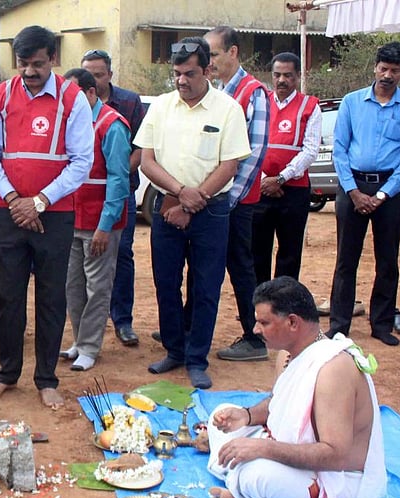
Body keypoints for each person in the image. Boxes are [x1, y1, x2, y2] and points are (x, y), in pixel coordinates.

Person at [0, 25, 93, 409]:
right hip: (8, 212)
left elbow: (82, 162)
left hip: (54, 215)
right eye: (23, 63)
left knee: (51, 297)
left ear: (53, 58)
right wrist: (15, 200)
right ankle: (6, 373)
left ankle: (46, 378)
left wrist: (39, 202)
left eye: (38, 64)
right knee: (7, 297)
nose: (29, 71)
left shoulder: (72, 99)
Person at [207, 276, 387, 498]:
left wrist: (262, 449)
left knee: (254, 476)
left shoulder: (333, 370)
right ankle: (254, 486)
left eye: (263, 322)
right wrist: (246, 416)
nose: (255, 330)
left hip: (338, 480)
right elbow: (279, 403)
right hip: (295, 455)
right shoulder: (287, 353)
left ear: (292, 322)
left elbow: (335, 455)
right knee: (220, 417)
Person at [134, 37, 250, 390]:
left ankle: (197, 358)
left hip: (210, 211)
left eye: (189, 74)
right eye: (177, 74)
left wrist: (191, 201)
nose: (181, 80)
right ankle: (175, 350)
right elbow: (147, 160)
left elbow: (229, 165)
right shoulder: (161, 107)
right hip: (167, 206)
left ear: (208, 71)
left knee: (206, 286)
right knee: (166, 283)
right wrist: (179, 193)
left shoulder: (228, 109)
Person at [327, 41, 400, 346]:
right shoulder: (352, 102)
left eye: (394, 70)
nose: (387, 75)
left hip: (392, 191)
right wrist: (353, 191)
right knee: (346, 259)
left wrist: (383, 194)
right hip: (353, 187)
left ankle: (381, 324)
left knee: (387, 260)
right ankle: (339, 325)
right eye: (383, 68)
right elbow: (339, 149)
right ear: (375, 67)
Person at [204, 26, 270, 363]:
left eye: (214, 54)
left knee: (241, 267)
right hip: (214, 198)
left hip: (236, 203)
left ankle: (255, 337)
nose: (209, 61)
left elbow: (254, 154)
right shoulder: (215, 92)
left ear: (233, 52)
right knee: (204, 264)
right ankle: (191, 325)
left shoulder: (252, 93)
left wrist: (228, 201)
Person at [59, 68, 129, 372]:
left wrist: (105, 225)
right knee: (72, 285)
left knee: (97, 287)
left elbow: (118, 180)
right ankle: (80, 340)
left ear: (90, 93)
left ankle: (89, 346)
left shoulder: (112, 125)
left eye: (73, 95)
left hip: (99, 222)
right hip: (70, 219)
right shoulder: (70, 122)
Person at [81, 49, 144, 348]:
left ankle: (122, 320)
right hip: (85, 199)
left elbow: (141, 148)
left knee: (122, 254)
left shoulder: (129, 103)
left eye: (99, 74)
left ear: (109, 75)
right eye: (89, 74)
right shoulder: (77, 103)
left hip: (121, 192)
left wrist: (115, 169)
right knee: (84, 261)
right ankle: (88, 327)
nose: (94, 79)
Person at [254, 52, 321, 284]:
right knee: (257, 250)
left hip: (294, 191)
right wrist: (264, 179)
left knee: (290, 253)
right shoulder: (260, 102)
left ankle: (283, 300)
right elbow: (248, 143)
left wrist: (280, 178)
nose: (282, 80)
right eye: (277, 75)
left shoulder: (310, 106)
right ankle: (259, 300)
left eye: (288, 75)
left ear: (298, 76)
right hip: (259, 188)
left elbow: (310, 150)